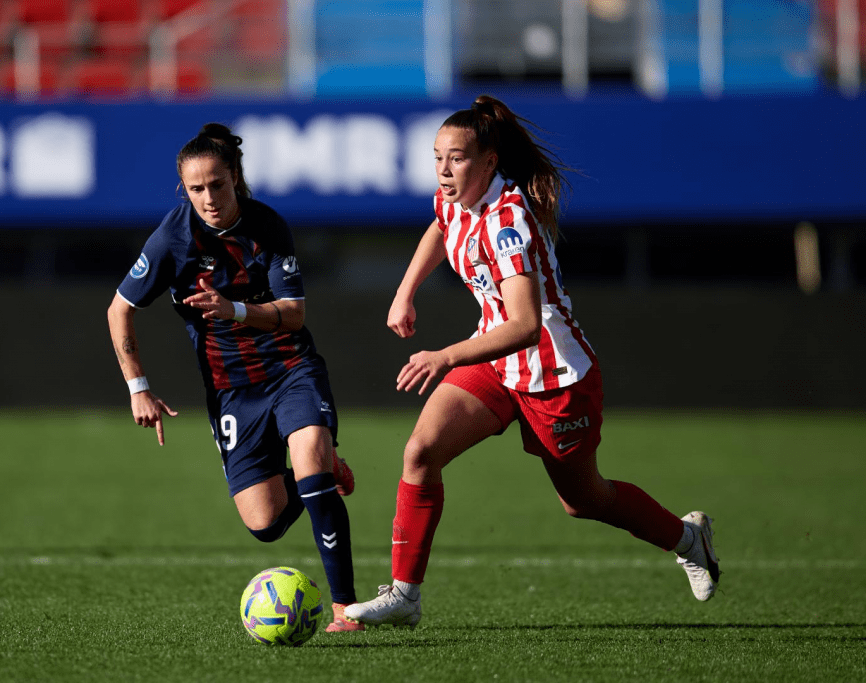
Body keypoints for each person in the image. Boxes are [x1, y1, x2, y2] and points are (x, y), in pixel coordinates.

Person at [344, 96, 720, 628]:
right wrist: (406, 291)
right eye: (437, 157)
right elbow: (440, 225)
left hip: (554, 375)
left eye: (456, 158)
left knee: (583, 500)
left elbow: (523, 325)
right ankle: (405, 594)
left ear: (490, 162)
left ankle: (687, 537)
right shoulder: (455, 197)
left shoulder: (508, 220)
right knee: (421, 451)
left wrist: (445, 355)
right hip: (498, 364)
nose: (444, 171)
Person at [107, 123, 363, 632]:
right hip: (231, 390)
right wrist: (139, 387)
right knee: (264, 524)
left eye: (217, 185)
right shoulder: (172, 239)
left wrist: (235, 310)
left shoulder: (268, 226)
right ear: (184, 189)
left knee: (309, 454)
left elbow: (293, 314)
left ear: (236, 178)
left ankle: (344, 607)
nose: (209, 198)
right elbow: (119, 310)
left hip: (290, 367)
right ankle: (323, 476)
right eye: (196, 189)